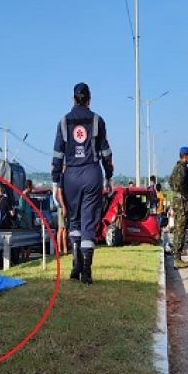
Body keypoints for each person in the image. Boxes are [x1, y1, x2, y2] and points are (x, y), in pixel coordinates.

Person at [52, 82, 114, 284]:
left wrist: (55, 183)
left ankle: (75, 265)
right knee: (88, 222)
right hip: (91, 173)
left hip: (70, 175)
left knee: (75, 222)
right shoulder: (97, 120)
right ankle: (86, 272)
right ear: (89, 99)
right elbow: (106, 152)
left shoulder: (63, 122)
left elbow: (57, 155)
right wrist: (109, 176)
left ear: (73, 99)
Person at [169, 147, 188, 268]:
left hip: (177, 201)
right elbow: (179, 183)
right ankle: (177, 259)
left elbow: (170, 182)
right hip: (181, 202)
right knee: (180, 230)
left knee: (178, 229)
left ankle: (176, 256)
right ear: (186, 156)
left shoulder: (176, 167)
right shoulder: (182, 168)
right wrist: (186, 195)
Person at [54, 176, 68, 256]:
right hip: (62, 208)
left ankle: (62, 248)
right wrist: (63, 206)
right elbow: (57, 195)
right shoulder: (62, 180)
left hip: (63, 207)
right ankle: (62, 248)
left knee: (62, 229)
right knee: (62, 229)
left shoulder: (63, 180)